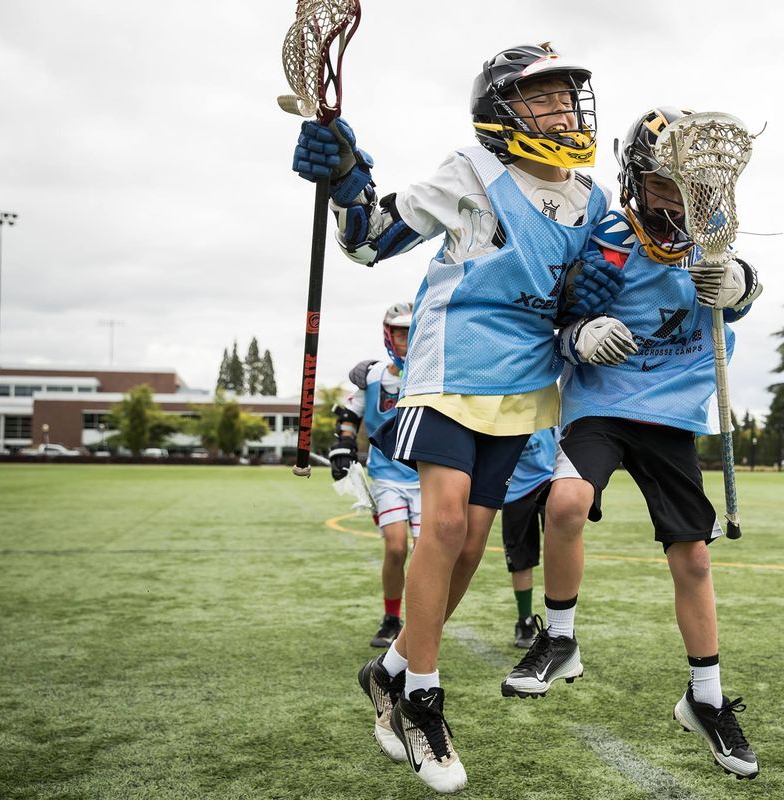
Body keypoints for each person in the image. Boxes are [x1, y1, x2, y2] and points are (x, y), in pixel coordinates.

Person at [293, 43, 632, 794]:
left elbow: (585, 301)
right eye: (542, 98)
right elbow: (370, 238)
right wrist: (347, 180)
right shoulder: (471, 173)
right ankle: (421, 700)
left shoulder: (593, 201)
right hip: (451, 367)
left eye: (567, 97)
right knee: (442, 527)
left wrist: (585, 332)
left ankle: (386, 670)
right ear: (504, 110)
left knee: (473, 541)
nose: (562, 111)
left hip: (522, 387)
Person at [499, 107, 763, 781]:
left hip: (673, 413)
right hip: (603, 402)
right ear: (637, 180)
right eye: (665, 184)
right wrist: (579, 334)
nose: (678, 200)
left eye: (689, 186)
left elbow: (743, 292)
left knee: (694, 561)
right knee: (565, 502)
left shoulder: (714, 232)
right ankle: (559, 640)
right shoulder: (606, 234)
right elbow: (557, 315)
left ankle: (704, 698)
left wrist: (740, 284)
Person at [330, 303, 419, 650]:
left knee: (426, 552)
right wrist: (344, 445)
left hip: (426, 477)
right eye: (399, 332)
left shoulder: (430, 371)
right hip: (385, 477)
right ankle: (391, 619)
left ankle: (420, 622)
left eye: (411, 332)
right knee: (396, 547)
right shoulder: (370, 375)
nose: (405, 340)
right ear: (388, 335)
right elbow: (348, 416)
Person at [501, 427, 556, 648]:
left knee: (558, 548)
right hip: (514, 489)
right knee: (520, 558)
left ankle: (559, 624)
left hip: (549, 477)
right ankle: (525, 620)